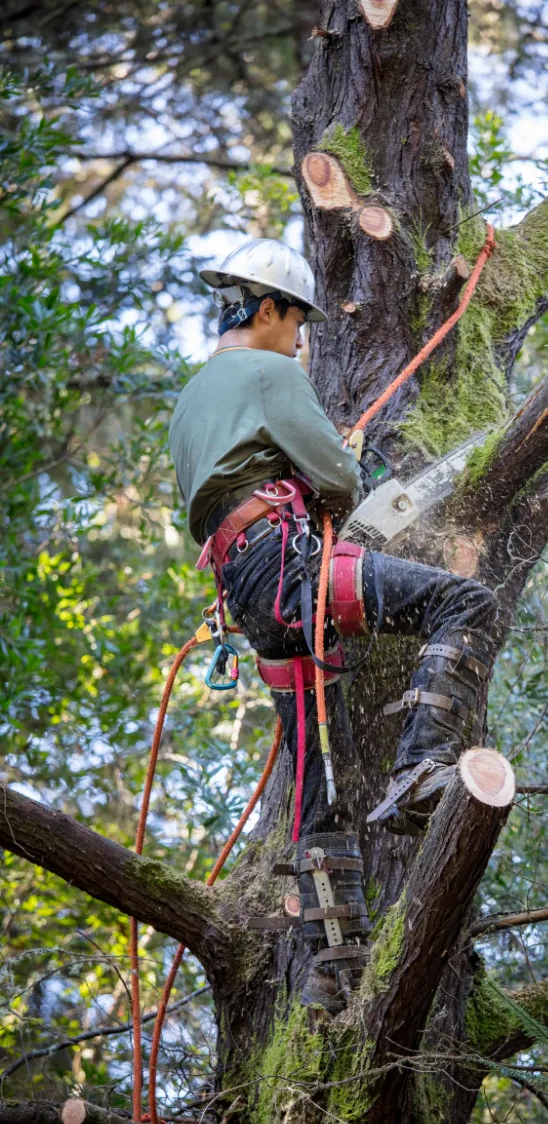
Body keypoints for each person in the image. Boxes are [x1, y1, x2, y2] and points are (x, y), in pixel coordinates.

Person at [169, 237, 497, 1005]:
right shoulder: (270, 370)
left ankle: (331, 968)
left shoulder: (192, 399)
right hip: (288, 570)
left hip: (253, 601)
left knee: (322, 785)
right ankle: (423, 764)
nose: (301, 337)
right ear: (270, 307)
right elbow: (340, 476)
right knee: (465, 601)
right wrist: (329, 456)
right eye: (296, 321)